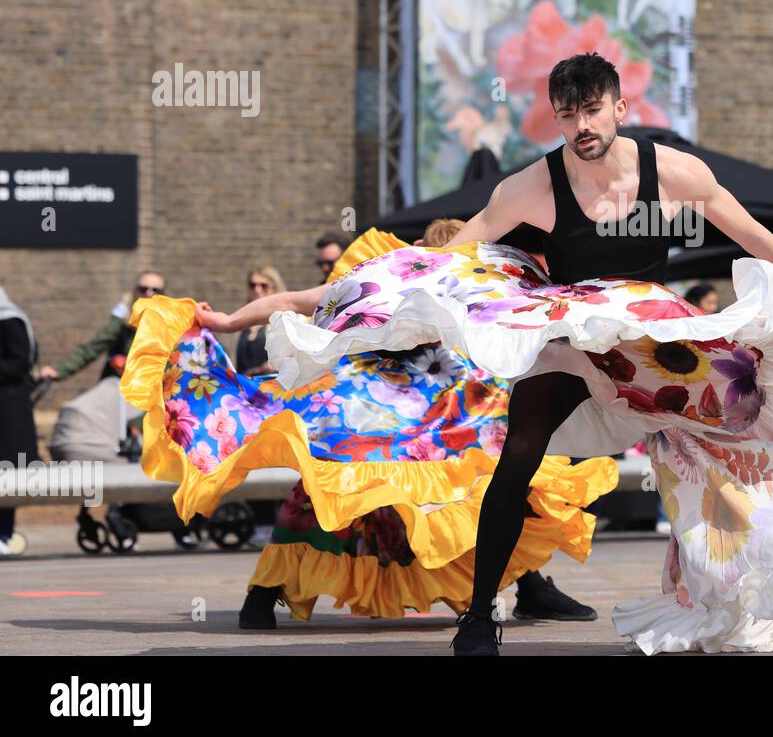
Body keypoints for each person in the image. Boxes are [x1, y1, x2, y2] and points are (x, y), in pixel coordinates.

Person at [428, 52, 773, 655]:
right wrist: (380, 299)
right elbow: (457, 252)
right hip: (575, 343)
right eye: (567, 114)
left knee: (737, 445)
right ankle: (477, 619)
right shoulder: (532, 187)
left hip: (656, 346)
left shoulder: (673, 172)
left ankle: (763, 587)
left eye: (593, 110)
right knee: (519, 450)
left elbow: (750, 232)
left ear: (620, 109)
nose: (582, 126)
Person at [128, 220, 605, 628]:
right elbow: (297, 300)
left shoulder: (413, 277)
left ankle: (263, 592)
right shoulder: (418, 277)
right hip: (407, 413)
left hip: (398, 412)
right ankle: (530, 586)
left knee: (337, 490)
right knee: (486, 480)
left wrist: (230, 322)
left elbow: (295, 299)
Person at [39, 271, 165, 384]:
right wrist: (59, 370)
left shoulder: (171, 323)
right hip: (120, 386)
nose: (149, 294)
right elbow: (94, 347)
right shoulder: (122, 318)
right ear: (135, 292)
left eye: (156, 290)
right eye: (143, 289)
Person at [0, 285, 40, 557]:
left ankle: (4, 534)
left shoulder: (9, 320)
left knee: (6, 474)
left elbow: (19, 362)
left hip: (8, 412)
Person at [235, 266, 285, 377]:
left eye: (263, 286)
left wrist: (276, 364)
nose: (257, 290)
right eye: (252, 285)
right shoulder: (243, 319)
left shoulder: (283, 319)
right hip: (245, 387)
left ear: (274, 288)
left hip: (272, 385)